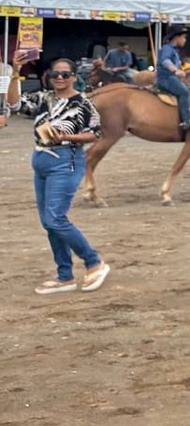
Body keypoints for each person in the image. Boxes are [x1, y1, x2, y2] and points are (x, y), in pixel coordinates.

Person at [4, 51, 111, 294]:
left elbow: (95, 134)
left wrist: (66, 136)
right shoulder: (44, 98)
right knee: (48, 222)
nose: (59, 77)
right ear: (49, 76)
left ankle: (94, 261)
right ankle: (65, 275)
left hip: (66, 161)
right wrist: (15, 73)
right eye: (55, 74)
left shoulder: (84, 104)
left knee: (55, 218)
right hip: (41, 161)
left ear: (74, 77)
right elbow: (14, 104)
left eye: (65, 74)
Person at [157, 26, 190, 132]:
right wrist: (176, 71)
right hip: (166, 78)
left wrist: (185, 72)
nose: (185, 40)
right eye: (183, 37)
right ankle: (186, 121)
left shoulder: (174, 50)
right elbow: (165, 61)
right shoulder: (167, 49)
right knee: (184, 92)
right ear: (176, 37)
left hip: (172, 77)